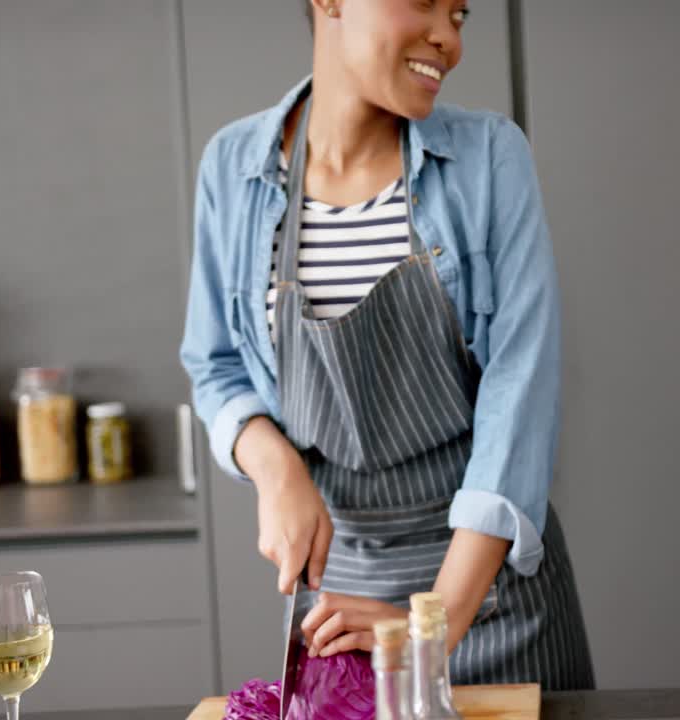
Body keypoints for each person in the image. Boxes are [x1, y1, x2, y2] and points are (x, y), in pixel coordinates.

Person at [180, 0, 593, 689]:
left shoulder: (490, 157)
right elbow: (214, 363)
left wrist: (434, 622)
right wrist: (275, 468)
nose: (448, 38)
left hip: (494, 601)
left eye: (460, 14)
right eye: (426, 2)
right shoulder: (234, 167)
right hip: (344, 608)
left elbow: (519, 394)